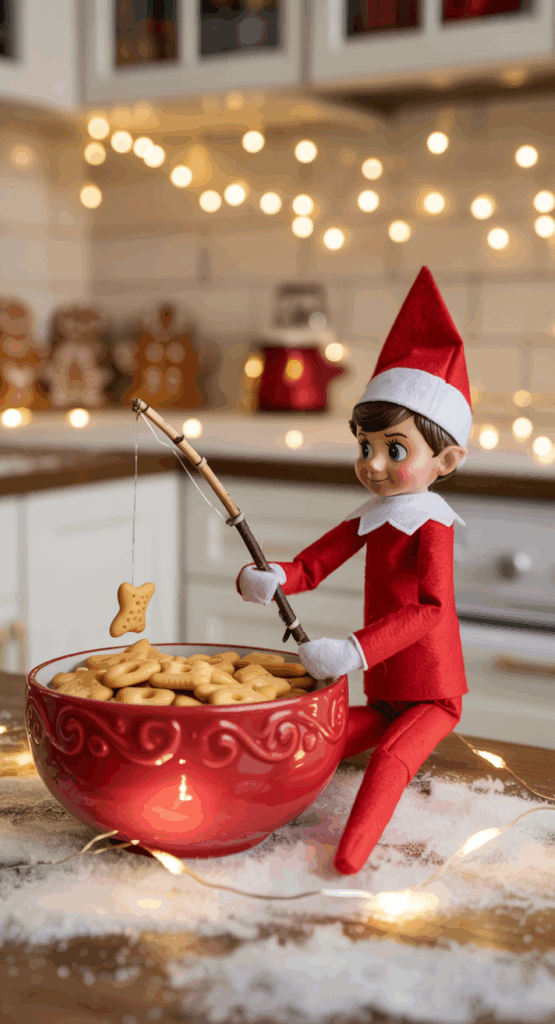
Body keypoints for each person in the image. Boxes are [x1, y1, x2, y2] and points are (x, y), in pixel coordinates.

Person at [236, 266, 472, 875]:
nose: (373, 463)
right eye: (364, 446)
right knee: (312, 740)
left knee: (390, 761)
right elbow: (316, 562)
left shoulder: (431, 524)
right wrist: (277, 577)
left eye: (395, 449)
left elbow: (432, 611)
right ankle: (236, 812)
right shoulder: (374, 514)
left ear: (445, 459)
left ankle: (346, 858)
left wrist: (354, 651)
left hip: (432, 695)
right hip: (385, 689)